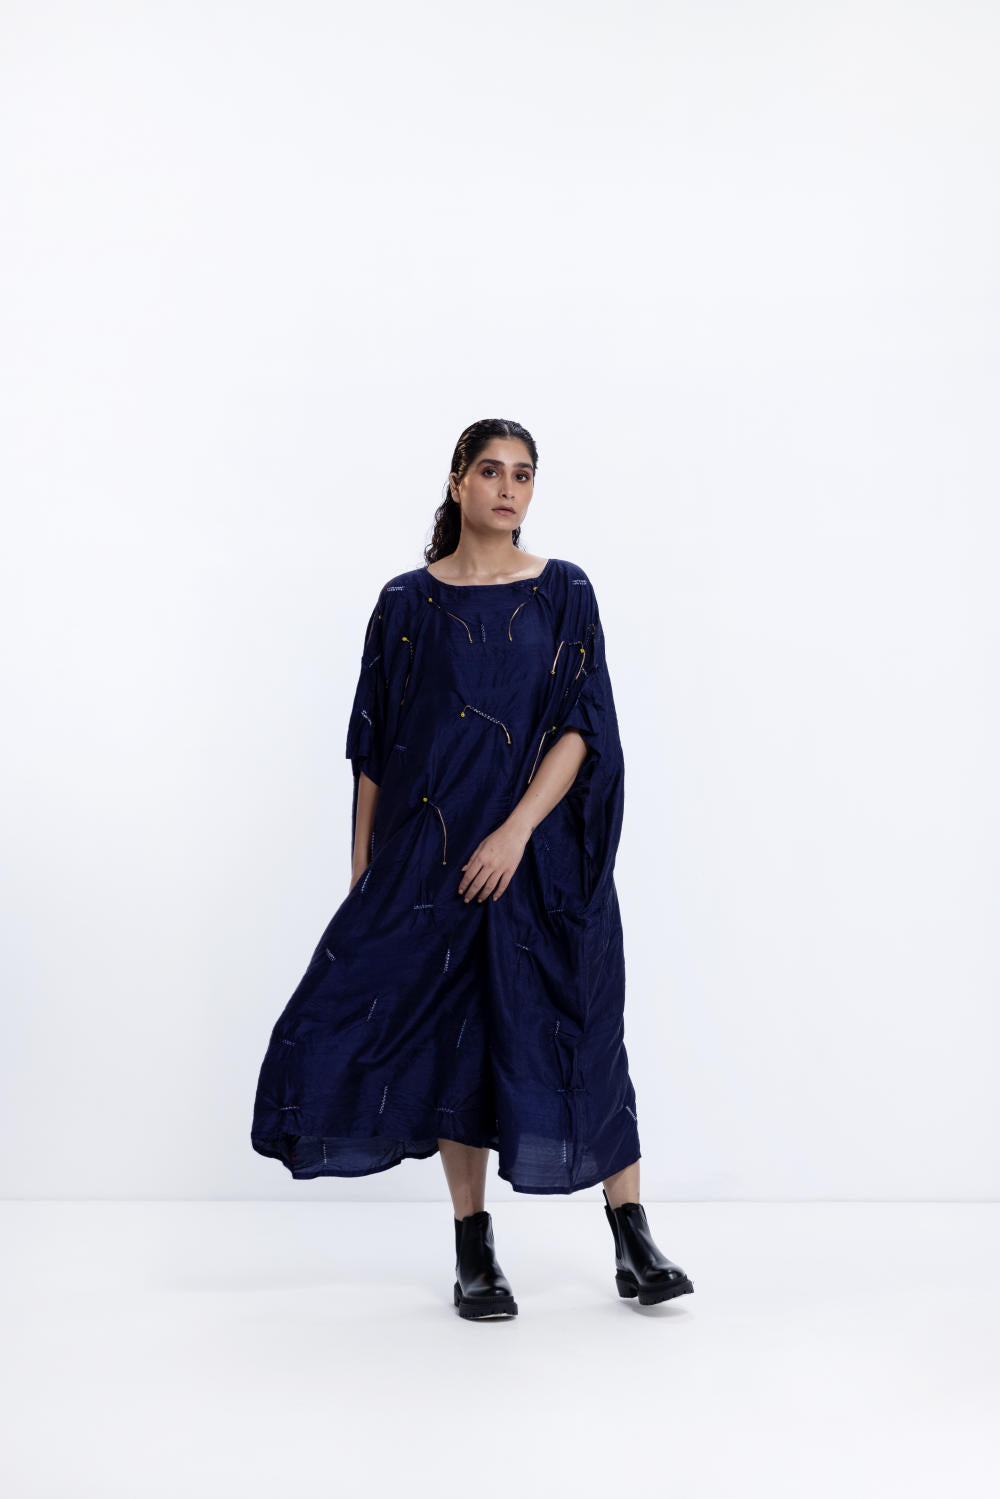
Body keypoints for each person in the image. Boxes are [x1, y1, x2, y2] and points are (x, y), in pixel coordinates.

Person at [251, 417, 694, 1318]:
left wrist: (518, 831)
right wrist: (364, 873)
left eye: (523, 474)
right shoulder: (406, 603)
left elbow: (584, 727)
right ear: (457, 481)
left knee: (582, 1025)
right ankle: (473, 1248)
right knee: (459, 1043)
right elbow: (374, 744)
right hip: (434, 863)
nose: (507, 488)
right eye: (491, 470)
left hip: (545, 862)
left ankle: (632, 1233)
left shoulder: (565, 590)